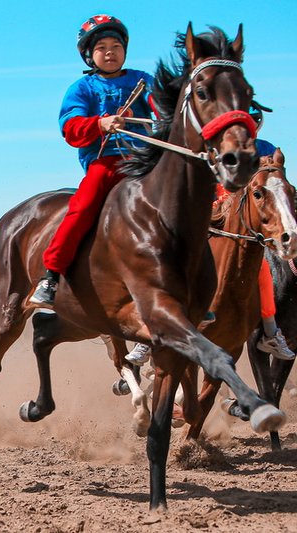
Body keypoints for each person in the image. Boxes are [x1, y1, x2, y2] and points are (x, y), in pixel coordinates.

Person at [125, 138, 295, 364]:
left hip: (237, 222)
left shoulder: (265, 148)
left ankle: (271, 333)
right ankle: (148, 337)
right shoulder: (206, 145)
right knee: (173, 267)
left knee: (263, 271)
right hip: (204, 218)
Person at [30, 15, 155, 308]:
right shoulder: (82, 88)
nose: (110, 52)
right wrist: (99, 124)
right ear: (89, 54)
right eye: (101, 47)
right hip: (107, 163)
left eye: (116, 45)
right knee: (82, 206)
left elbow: (162, 107)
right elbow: (70, 128)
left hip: (147, 161)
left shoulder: (143, 80)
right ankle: (51, 275)